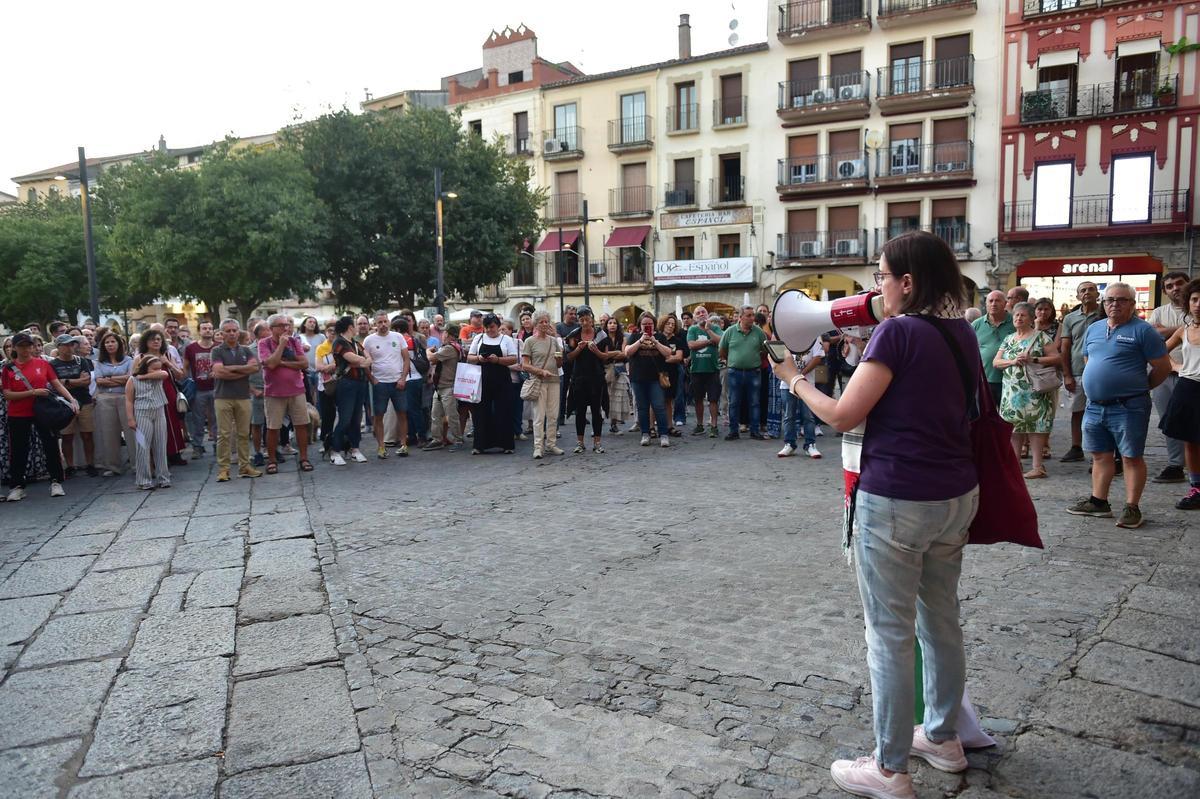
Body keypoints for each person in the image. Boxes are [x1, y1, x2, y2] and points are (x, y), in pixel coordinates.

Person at [772, 230, 979, 799]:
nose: (875, 286)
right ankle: (941, 736)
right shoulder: (961, 331)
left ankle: (890, 770)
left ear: (907, 283)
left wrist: (794, 381)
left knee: (888, 635)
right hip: (955, 494)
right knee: (941, 621)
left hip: (898, 499)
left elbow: (843, 414)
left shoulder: (898, 332)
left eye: (882, 276)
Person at [1067, 283, 1173, 529]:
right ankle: (1099, 502)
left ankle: (1132, 507)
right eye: (1110, 300)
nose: (1114, 304)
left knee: (1131, 457)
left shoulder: (1143, 331)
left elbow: (1163, 367)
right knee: (1100, 455)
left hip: (1128, 406)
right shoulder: (1094, 329)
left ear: (1132, 304)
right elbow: (1088, 358)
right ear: (1104, 304)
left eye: (1122, 300)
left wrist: (1139, 388)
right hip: (1095, 406)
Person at [1, 332, 74, 500]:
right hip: (18, 413)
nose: (26, 349)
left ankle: (56, 481)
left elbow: (56, 384)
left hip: (42, 411)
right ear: (14, 348)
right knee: (19, 449)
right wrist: (33, 392)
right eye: (22, 346)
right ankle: (17, 485)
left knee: (50, 445)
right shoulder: (8, 369)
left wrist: (71, 400)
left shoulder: (43, 364)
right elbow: (7, 394)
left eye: (29, 345)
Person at [994, 302, 1061, 479]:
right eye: (1016, 315)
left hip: (1034, 389)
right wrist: (1011, 362)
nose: (1018, 318)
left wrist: (1034, 359)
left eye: (1023, 315)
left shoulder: (1041, 337)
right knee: (1014, 427)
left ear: (1032, 318)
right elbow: (996, 362)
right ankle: (1015, 464)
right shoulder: (1008, 338)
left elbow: (1056, 358)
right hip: (1012, 391)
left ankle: (1038, 466)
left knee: (1036, 426)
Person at [1159, 278, 1200, 509]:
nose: (1198, 304)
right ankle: (1196, 488)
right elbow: (1160, 351)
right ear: (1188, 303)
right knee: (1190, 441)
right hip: (1188, 387)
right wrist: (1175, 367)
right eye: (1194, 299)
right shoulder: (1184, 330)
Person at [1149, 271, 1190, 484]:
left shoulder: (1196, 308)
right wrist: (1182, 329)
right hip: (1166, 374)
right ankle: (1175, 465)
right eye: (1170, 286)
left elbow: (1160, 333)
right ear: (1164, 291)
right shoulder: (1158, 312)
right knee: (1169, 420)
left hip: (1194, 377)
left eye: (1179, 283)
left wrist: (1166, 331)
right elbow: (1153, 337)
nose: (1175, 288)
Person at [259, 314, 313, 474]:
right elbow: (271, 363)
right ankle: (272, 460)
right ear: (272, 328)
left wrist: (282, 362)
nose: (286, 328)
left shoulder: (295, 341)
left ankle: (304, 458)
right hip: (274, 392)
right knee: (273, 427)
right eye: (281, 325)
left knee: (301, 425)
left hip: (296, 390)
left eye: (287, 325)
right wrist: (281, 347)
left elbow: (304, 363)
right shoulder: (264, 343)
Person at [210, 319, 263, 482]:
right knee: (224, 434)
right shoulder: (216, 351)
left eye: (234, 330)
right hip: (223, 396)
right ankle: (224, 469)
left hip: (243, 396)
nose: (232, 333)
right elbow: (218, 372)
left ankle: (244, 466)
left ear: (239, 332)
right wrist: (243, 371)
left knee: (243, 433)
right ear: (222, 333)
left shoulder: (246, 350)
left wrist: (230, 369)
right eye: (228, 331)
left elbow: (255, 368)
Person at [1057, 281, 1103, 463]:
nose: (1087, 293)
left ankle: (1099, 452)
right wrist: (1067, 374)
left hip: (1100, 370)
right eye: (1083, 290)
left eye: (1091, 289)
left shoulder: (1104, 314)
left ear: (1097, 294)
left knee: (1100, 411)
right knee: (1077, 411)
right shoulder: (1070, 318)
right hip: (1077, 370)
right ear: (1077, 296)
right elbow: (1065, 348)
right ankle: (1076, 447)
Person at [467, 314, 518, 454]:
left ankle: (507, 444)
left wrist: (498, 360)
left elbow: (514, 358)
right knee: (480, 412)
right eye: (487, 327)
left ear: (498, 326)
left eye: (492, 327)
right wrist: (479, 358)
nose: (489, 330)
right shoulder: (478, 338)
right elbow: (469, 357)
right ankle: (480, 445)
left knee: (504, 410)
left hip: (502, 379)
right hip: (482, 379)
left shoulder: (506, 339)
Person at [136, 329, 189, 467]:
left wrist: (168, 363)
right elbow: (134, 377)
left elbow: (180, 375)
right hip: (149, 393)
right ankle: (159, 456)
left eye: (159, 339)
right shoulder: (140, 357)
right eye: (152, 339)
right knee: (156, 426)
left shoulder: (167, 355)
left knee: (172, 422)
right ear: (145, 342)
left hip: (169, 391)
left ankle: (175, 453)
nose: (156, 342)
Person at [564, 306, 612, 454]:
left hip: (596, 377)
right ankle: (580, 442)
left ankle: (597, 443)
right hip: (579, 377)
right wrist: (578, 349)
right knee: (580, 411)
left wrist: (595, 350)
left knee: (596, 411)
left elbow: (606, 357)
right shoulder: (574, 335)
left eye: (587, 319)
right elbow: (569, 357)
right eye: (582, 320)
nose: (585, 323)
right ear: (578, 320)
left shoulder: (601, 334)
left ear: (592, 319)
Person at [363, 313, 410, 459]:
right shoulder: (369, 340)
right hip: (380, 383)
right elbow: (365, 362)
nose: (383, 324)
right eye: (380, 322)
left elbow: (406, 359)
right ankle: (381, 447)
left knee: (402, 413)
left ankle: (403, 445)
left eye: (385, 321)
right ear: (375, 324)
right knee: (379, 416)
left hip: (397, 381)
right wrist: (372, 379)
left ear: (389, 322)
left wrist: (403, 378)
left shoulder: (398, 337)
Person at [624, 311, 673, 448]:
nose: (647, 326)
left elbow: (668, 353)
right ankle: (645, 433)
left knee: (659, 406)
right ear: (640, 325)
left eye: (650, 324)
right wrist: (641, 340)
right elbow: (627, 352)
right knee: (642, 407)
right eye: (644, 324)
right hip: (638, 377)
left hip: (655, 378)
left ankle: (663, 434)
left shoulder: (660, 337)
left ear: (654, 324)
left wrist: (655, 341)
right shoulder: (634, 336)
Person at [50, 334, 96, 477]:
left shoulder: (81, 361)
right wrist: (75, 381)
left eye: (72, 344)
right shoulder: (53, 364)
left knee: (87, 434)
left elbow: (86, 381)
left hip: (84, 401)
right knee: (67, 436)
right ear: (58, 347)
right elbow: (55, 384)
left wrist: (66, 381)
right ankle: (70, 466)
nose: (70, 347)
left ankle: (90, 463)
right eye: (66, 344)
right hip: (64, 404)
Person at [720, 306, 768, 441]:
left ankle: (755, 431)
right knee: (734, 402)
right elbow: (722, 351)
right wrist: (733, 361)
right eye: (749, 315)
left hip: (754, 371)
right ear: (740, 317)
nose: (752, 318)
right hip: (734, 372)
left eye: (753, 315)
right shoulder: (730, 332)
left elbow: (765, 350)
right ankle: (733, 431)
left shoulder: (759, 332)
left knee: (754, 402)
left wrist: (753, 358)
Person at [328, 316, 371, 465]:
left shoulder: (355, 343)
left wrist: (362, 361)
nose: (356, 327)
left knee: (357, 418)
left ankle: (355, 448)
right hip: (346, 384)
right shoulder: (339, 342)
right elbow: (353, 359)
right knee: (345, 418)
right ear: (350, 327)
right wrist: (362, 362)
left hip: (360, 383)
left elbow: (368, 358)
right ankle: (335, 450)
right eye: (354, 325)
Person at [125, 354, 172, 490]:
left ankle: (163, 477)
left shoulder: (158, 376)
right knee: (142, 447)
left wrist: (146, 376)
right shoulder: (132, 380)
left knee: (161, 445)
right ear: (145, 366)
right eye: (153, 368)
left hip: (159, 411)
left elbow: (164, 374)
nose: (157, 371)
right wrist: (130, 418)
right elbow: (128, 400)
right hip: (142, 413)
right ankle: (143, 479)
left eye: (158, 368)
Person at [521, 310, 564, 459]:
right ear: (536, 324)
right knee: (539, 416)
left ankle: (551, 444)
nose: (545, 324)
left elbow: (559, 363)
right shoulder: (529, 341)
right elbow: (525, 365)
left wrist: (559, 360)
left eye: (547, 321)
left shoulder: (553, 341)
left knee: (553, 415)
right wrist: (540, 371)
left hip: (554, 380)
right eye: (541, 322)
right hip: (539, 381)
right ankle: (538, 447)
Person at [93, 330, 133, 477]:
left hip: (124, 397)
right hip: (105, 399)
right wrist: (119, 378)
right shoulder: (99, 362)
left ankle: (136, 463)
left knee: (131, 432)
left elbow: (130, 378)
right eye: (107, 342)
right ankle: (113, 466)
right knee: (108, 433)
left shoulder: (129, 360)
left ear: (119, 343)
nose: (110, 344)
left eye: (113, 341)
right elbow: (98, 380)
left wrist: (108, 378)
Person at [778, 339, 824, 459]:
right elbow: (777, 356)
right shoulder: (785, 335)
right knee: (788, 415)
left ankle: (810, 444)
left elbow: (818, 357)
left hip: (807, 382)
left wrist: (800, 374)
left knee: (808, 415)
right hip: (787, 383)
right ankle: (789, 443)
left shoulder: (815, 336)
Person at [971, 290, 1015, 407]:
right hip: (984, 381)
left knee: (1007, 419)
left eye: (998, 301)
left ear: (1005, 303)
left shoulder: (1015, 322)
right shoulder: (976, 324)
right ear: (986, 304)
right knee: (985, 418)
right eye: (990, 301)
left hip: (1010, 380)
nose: (993, 304)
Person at [425, 324, 463, 452]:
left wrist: (428, 350)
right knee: (435, 414)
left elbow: (432, 358)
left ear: (447, 333)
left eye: (444, 333)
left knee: (452, 415)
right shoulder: (449, 347)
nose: (442, 335)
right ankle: (437, 439)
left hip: (448, 386)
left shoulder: (450, 348)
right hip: (440, 387)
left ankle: (458, 439)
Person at [687, 306, 723, 437]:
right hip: (696, 370)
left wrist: (708, 330)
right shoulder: (692, 329)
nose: (701, 314)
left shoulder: (715, 328)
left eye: (703, 312)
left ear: (707, 315)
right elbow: (691, 345)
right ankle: (700, 425)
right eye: (698, 313)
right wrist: (709, 341)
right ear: (695, 317)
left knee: (713, 399)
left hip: (712, 369)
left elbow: (721, 342)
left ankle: (714, 426)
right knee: (698, 399)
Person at [183, 320, 218, 458]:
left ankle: (217, 444)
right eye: (204, 328)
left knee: (217, 418)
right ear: (199, 331)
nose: (208, 330)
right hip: (198, 388)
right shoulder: (191, 348)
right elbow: (185, 367)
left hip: (217, 387)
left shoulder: (218, 347)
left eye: (210, 328)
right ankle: (197, 446)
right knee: (197, 419)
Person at [603, 317, 632, 435]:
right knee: (606, 397)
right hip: (606, 370)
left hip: (619, 370)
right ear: (606, 325)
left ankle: (613, 424)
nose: (612, 325)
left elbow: (624, 353)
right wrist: (616, 353)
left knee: (617, 398)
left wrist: (610, 355)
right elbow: (602, 355)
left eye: (614, 323)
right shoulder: (603, 337)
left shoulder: (623, 338)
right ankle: (600, 424)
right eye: (610, 323)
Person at [314, 320, 338, 456]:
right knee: (327, 415)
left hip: (340, 384)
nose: (332, 334)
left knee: (342, 414)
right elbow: (318, 367)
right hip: (325, 386)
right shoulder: (321, 348)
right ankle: (325, 441)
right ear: (325, 332)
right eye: (329, 331)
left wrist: (327, 368)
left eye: (334, 331)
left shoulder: (340, 346)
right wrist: (332, 366)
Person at [248, 322, 269, 467]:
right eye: (267, 329)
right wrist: (253, 390)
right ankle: (258, 452)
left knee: (273, 424)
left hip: (273, 390)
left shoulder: (274, 347)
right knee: (257, 424)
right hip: (257, 391)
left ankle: (272, 449)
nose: (269, 332)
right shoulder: (249, 351)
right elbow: (243, 374)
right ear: (258, 333)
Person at [556, 305, 579, 429]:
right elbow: (559, 341)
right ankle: (560, 416)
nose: (573, 316)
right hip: (564, 362)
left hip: (576, 361)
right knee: (563, 390)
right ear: (565, 314)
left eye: (575, 314)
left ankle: (580, 414)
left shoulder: (577, 326)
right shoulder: (559, 326)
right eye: (571, 314)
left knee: (577, 389)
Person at [300, 315, 325, 402]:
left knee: (320, 396)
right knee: (309, 396)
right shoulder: (299, 337)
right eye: (310, 322)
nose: (312, 324)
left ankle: (319, 414)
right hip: (306, 371)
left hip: (319, 371)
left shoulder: (321, 337)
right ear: (304, 324)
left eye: (314, 322)